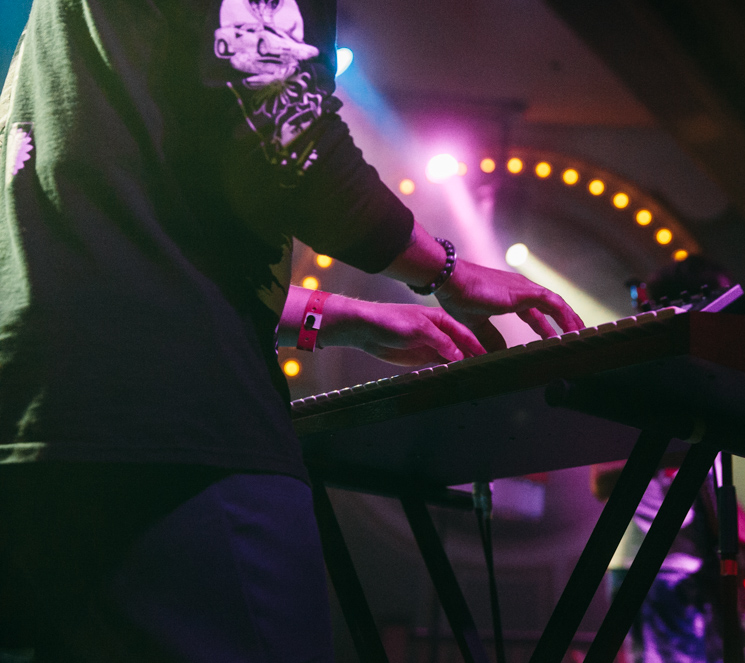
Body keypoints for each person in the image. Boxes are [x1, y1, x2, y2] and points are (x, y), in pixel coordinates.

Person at [0, 0, 583, 660]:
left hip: (34, 436)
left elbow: (125, 237)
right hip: (175, 438)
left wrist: (341, 318)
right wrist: (446, 269)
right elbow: (288, 140)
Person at [591, 256, 745, 663]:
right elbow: (601, 478)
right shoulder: (640, 379)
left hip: (688, 570)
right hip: (657, 570)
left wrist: (740, 531)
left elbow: (699, 479)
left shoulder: (694, 383)